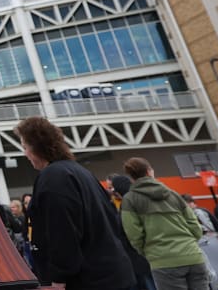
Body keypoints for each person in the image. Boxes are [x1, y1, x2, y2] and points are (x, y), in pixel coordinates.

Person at [15, 116, 133, 289]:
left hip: (87, 280)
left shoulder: (53, 178)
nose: (25, 153)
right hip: (110, 273)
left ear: (37, 147)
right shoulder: (80, 172)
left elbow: (62, 232)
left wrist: (58, 280)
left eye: (25, 147)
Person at [118, 157, 210, 290]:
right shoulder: (173, 194)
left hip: (162, 260)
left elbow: (134, 234)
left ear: (131, 176)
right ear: (149, 171)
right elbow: (194, 224)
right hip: (193, 256)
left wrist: (148, 252)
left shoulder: (129, 200)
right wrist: (191, 242)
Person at [107, 175, 156, 290]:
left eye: (111, 188)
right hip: (151, 258)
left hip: (140, 260)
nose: (111, 192)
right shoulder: (144, 202)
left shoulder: (127, 207)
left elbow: (133, 235)